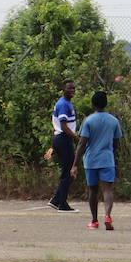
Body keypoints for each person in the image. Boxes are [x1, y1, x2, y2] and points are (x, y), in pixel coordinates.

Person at [71, 90, 122, 230]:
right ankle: (107, 216)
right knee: (107, 189)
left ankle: (94, 221)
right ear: (106, 104)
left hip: (91, 160)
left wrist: (74, 164)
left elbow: (82, 144)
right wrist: (111, 154)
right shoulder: (114, 121)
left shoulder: (88, 121)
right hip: (107, 160)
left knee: (93, 190)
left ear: (93, 104)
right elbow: (117, 142)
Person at [46, 80, 79, 212]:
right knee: (68, 171)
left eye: (73, 88)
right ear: (63, 89)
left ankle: (56, 200)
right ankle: (62, 203)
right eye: (69, 88)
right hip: (63, 139)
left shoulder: (66, 103)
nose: (72, 90)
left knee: (68, 171)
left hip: (62, 139)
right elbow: (63, 126)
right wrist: (76, 138)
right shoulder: (64, 104)